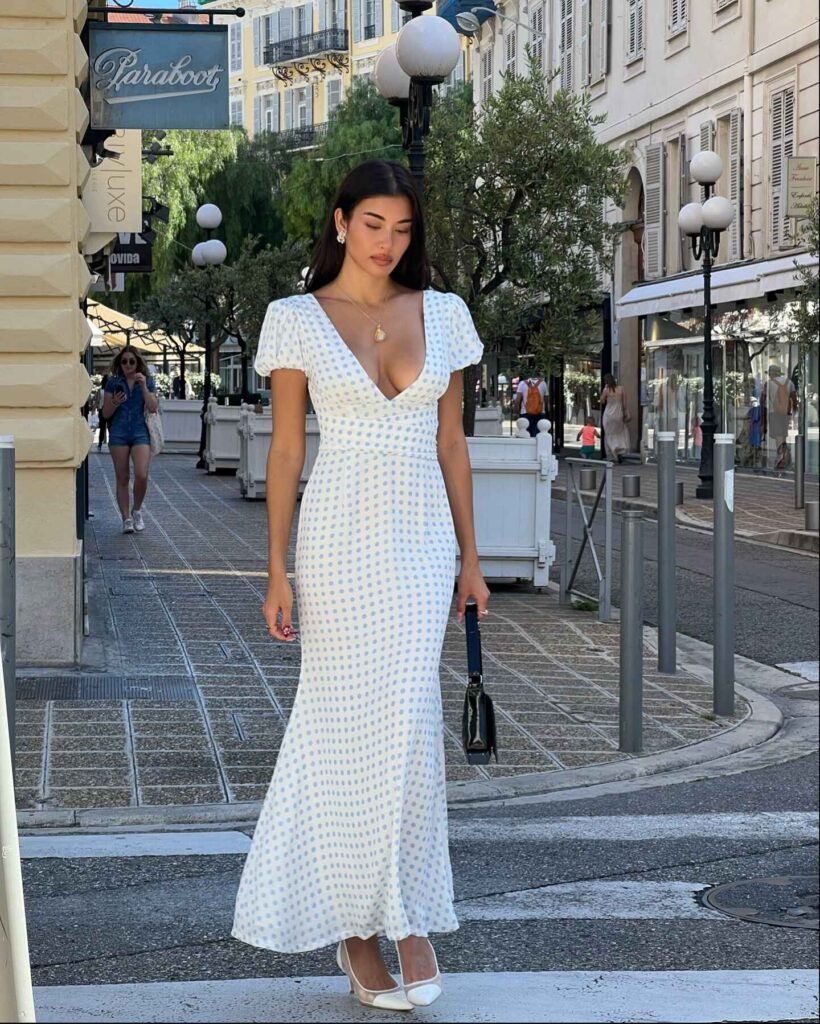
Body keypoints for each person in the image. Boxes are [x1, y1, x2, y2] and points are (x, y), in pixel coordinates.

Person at [231, 160, 490, 1012]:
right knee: (340, 723)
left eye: (404, 229)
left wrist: (472, 559)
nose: (389, 243)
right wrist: (276, 568)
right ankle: (353, 928)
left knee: (409, 720)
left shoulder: (445, 316)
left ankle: (406, 914)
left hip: (419, 542)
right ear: (342, 223)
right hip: (338, 539)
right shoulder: (296, 319)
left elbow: (453, 445)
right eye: (374, 224)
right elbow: (283, 452)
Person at [101, 346, 158, 534]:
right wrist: (115, 401)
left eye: (131, 361)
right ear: (120, 363)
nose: (128, 365)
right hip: (119, 432)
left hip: (140, 431)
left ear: (137, 363)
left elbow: (152, 408)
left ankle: (137, 510)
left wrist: (143, 387)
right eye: (124, 361)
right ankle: (126, 518)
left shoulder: (147, 381)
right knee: (122, 477)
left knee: (142, 474)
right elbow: (106, 413)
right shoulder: (113, 383)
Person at [764, 364, 795, 471]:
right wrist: (794, 410)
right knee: (783, 434)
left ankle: (781, 457)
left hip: (774, 413)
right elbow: (794, 397)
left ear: (771, 373)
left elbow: (763, 398)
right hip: (786, 413)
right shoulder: (789, 382)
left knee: (778, 435)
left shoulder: (768, 384)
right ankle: (784, 456)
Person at [599, 373, 630, 463]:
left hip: (608, 415)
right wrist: (625, 412)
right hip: (618, 414)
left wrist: (604, 390)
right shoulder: (621, 389)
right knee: (620, 433)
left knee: (609, 434)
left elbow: (601, 401)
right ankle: (619, 451)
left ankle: (611, 454)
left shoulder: (606, 390)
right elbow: (624, 403)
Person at [95, 374, 108, 450]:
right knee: (110, 427)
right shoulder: (111, 391)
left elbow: (97, 401)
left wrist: (94, 409)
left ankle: (100, 443)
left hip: (101, 410)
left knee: (102, 427)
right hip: (109, 410)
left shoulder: (100, 391)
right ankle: (111, 443)